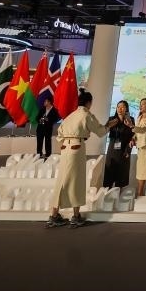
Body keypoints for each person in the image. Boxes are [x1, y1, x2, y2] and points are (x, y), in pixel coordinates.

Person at [46, 90, 108, 229]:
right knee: (77, 181)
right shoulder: (86, 115)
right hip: (77, 148)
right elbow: (100, 131)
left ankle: (54, 215)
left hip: (65, 148)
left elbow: (59, 133)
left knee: (61, 181)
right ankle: (76, 216)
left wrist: (66, 141)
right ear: (89, 102)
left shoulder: (71, 115)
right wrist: (109, 125)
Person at [103, 100, 134, 189]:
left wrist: (128, 149)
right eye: (118, 107)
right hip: (112, 150)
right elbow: (104, 130)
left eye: (122, 107)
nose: (120, 109)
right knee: (109, 175)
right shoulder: (111, 119)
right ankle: (107, 194)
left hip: (124, 149)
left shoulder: (130, 120)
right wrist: (109, 125)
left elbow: (133, 135)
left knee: (121, 176)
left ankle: (118, 195)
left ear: (126, 109)